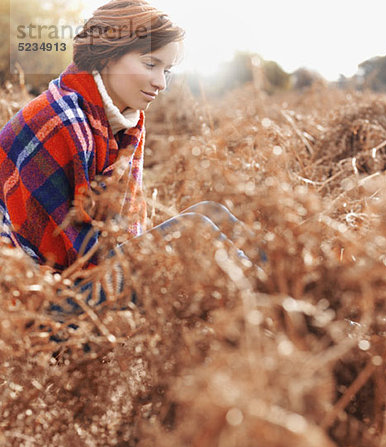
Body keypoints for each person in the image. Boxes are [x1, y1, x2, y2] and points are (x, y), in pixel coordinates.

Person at [0, 0, 252, 322]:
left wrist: (148, 256)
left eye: (167, 70)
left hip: (83, 280)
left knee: (211, 212)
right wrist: (155, 263)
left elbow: (119, 234)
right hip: (41, 305)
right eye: (150, 64)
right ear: (108, 56)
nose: (161, 82)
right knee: (196, 229)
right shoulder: (62, 119)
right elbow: (70, 253)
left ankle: (301, 292)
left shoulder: (121, 122)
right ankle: (291, 320)